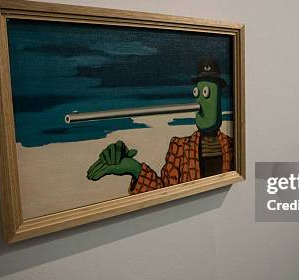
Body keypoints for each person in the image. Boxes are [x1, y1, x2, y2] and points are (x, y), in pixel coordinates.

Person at [86, 59, 234, 193]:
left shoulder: (233, 146)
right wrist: (134, 169)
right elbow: (164, 191)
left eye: (207, 93)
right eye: (197, 93)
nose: (200, 101)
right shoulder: (179, 148)